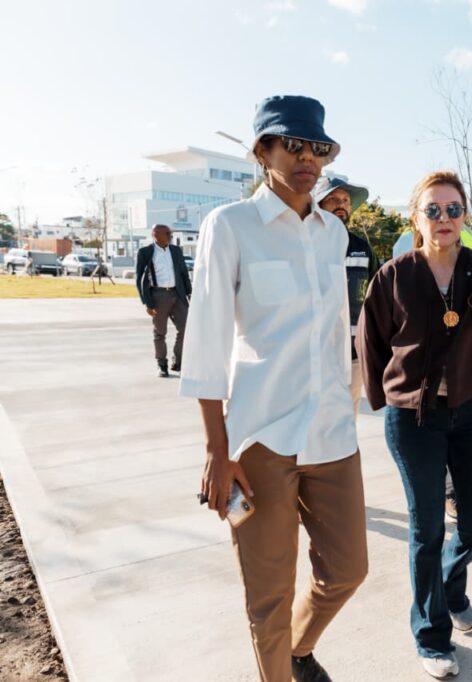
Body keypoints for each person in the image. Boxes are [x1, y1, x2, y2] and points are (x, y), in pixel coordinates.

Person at [180, 95, 367, 682]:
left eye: (318, 147)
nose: (308, 157)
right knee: (267, 596)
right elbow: (207, 341)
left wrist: (351, 396)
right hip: (261, 438)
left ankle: (297, 651)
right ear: (263, 150)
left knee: (347, 570)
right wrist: (218, 449)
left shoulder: (333, 233)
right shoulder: (230, 226)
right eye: (294, 144)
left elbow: (338, 331)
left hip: (332, 431)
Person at [357, 171, 472, 679]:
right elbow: (371, 343)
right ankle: (431, 636)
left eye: (453, 210)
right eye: (433, 210)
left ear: (465, 217)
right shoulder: (394, 275)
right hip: (416, 418)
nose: (444, 219)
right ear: (416, 218)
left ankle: (451, 584)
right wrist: (385, 398)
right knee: (426, 527)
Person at [312, 174, 379, 418]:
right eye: (333, 199)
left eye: (346, 200)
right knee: (312, 420)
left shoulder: (362, 247)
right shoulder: (304, 242)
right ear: (318, 204)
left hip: (353, 354)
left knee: (346, 421)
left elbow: (376, 297)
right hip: (315, 352)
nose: (341, 204)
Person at [135, 224, 192, 377]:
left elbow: (183, 273)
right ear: (156, 235)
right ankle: (162, 365)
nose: (170, 236)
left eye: (170, 233)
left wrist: (189, 293)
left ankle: (178, 361)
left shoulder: (175, 251)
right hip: (158, 296)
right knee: (160, 333)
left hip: (177, 294)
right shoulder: (145, 252)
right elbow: (139, 279)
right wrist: (147, 302)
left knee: (186, 328)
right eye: (167, 233)